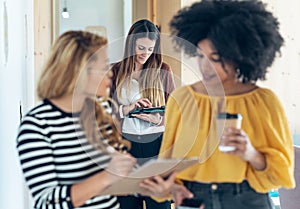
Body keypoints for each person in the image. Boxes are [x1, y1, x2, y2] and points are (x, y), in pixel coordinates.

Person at [16, 30, 177, 209]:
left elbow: (118, 180)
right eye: (103, 68)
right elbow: (46, 203)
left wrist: (158, 189)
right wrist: (107, 177)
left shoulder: (102, 112)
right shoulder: (37, 126)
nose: (109, 74)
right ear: (79, 71)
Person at [159, 1, 296, 209]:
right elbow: (166, 167)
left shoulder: (265, 102)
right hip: (195, 200)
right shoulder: (183, 99)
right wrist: (167, 188)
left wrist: (250, 153)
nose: (205, 67)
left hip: (248, 200)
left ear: (238, 57)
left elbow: (282, 174)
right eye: (199, 56)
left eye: (215, 58)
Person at [110, 19, 175, 209]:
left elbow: (174, 111)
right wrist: (127, 109)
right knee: (127, 204)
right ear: (131, 44)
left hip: (156, 147)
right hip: (125, 147)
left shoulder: (163, 70)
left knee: (159, 204)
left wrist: (158, 119)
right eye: (140, 47)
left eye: (150, 49)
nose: (145, 54)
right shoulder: (115, 71)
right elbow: (104, 112)